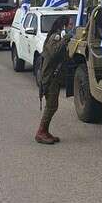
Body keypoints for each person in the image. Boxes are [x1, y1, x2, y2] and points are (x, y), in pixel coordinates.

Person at [35, 15, 72, 145]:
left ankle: (45, 131)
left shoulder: (58, 37)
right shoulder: (55, 37)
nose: (71, 27)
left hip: (54, 78)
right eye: (69, 25)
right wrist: (65, 39)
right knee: (51, 106)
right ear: (63, 26)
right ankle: (40, 132)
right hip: (49, 78)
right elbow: (54, 52)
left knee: (52, 106)